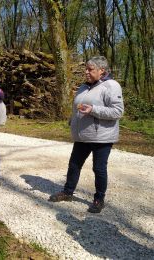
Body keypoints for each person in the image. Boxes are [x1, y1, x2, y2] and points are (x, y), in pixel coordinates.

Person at [49, 56, 124, 213]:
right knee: (74, 165)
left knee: (98, 168)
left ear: (101, 71)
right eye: (86, 69)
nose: (86, 72)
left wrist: (94, 110)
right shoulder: (84, 86)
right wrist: (73, 119)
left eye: (90, 69)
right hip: (82, 135)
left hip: (101, 137)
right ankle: (68, 192)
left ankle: (99, 199)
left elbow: (118, 111)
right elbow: (78, 106)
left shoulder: (111, 86)